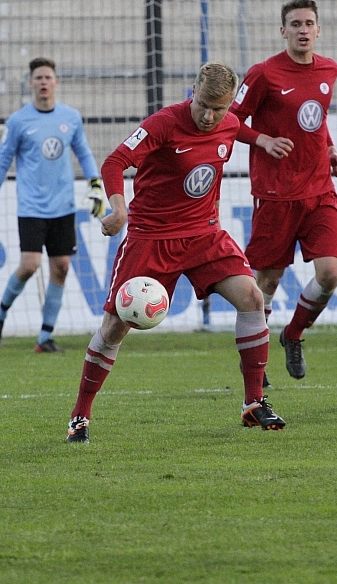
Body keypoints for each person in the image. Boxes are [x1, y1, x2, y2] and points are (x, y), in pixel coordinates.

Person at [66, 61, 287, 443]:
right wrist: (119, 209)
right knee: (115, 327)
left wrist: (262, 141)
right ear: (193, 91)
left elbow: (235, 133)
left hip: (204, 234)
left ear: (229, 104)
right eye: (203, 105)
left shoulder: (229, 123)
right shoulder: (164, 123)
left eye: (218, 108)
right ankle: (80, 416)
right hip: (151, 237)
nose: (209, 116)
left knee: (252, 298)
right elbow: (115, 161)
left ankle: (254, 403)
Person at [229, 0, 337, 384]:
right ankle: (256, 360)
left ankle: (293, 333)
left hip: (319, 190)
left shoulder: (329, 69)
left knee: (330, 273)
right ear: (283, 31)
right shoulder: (264, 74)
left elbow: (318, 121)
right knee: (267, 282)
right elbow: (230, 121)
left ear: (318, 29)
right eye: (295, 24)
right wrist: (262, 140)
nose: (302, 30)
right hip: (276, 194)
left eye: (308, 23)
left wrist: (330, 150)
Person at [0, 57, 104, 353]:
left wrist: (95, 184)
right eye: (38, 78)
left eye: (48, 77)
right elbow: (2, 162)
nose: (43, 82)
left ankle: (44, 338)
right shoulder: (18, 121)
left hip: (63, 206)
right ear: (31, 83)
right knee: (29, 266)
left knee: (61, 267)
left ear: (56, 82)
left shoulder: (70, 118)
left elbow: (84, 153)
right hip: (31, 207)